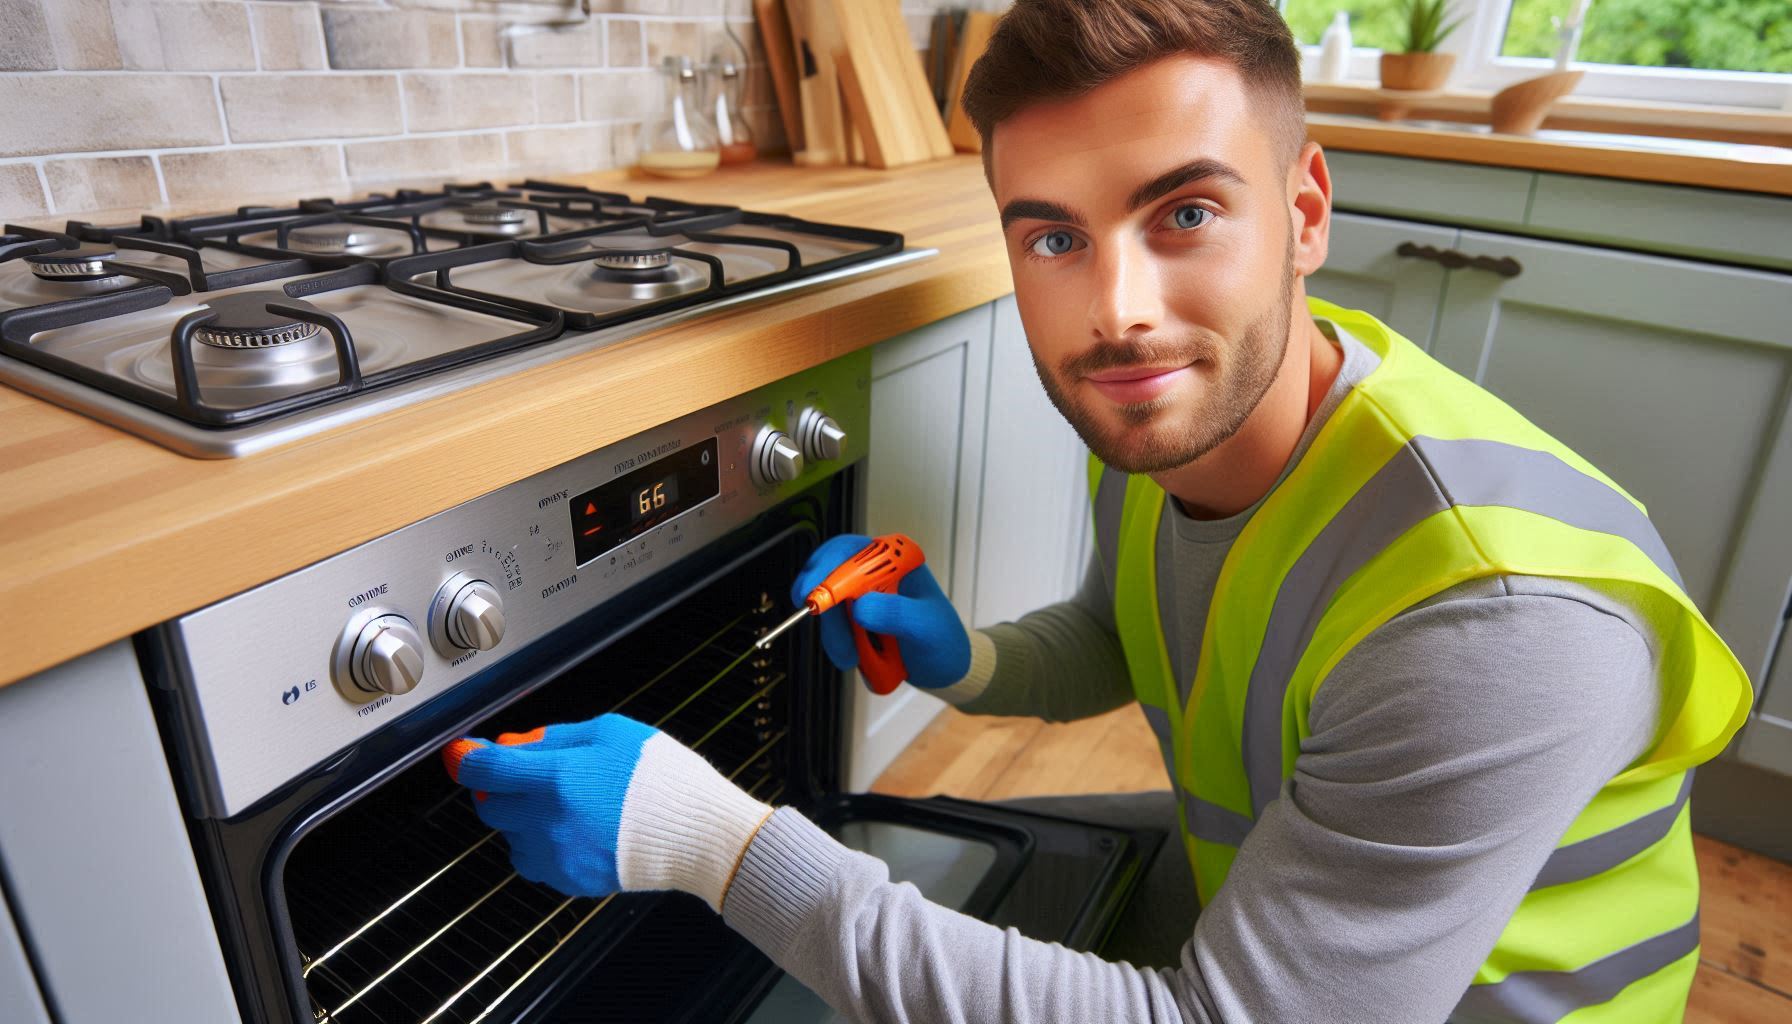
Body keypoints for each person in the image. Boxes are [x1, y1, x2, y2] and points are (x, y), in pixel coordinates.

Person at [441, 1, 1753, 1020]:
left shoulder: (1491, 625)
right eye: (1053, 237)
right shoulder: (1179, 416)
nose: (1114, 310)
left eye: (1183, 212)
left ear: (1302, 215)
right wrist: (974, 662)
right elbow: (1139, 633)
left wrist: (711, 844)